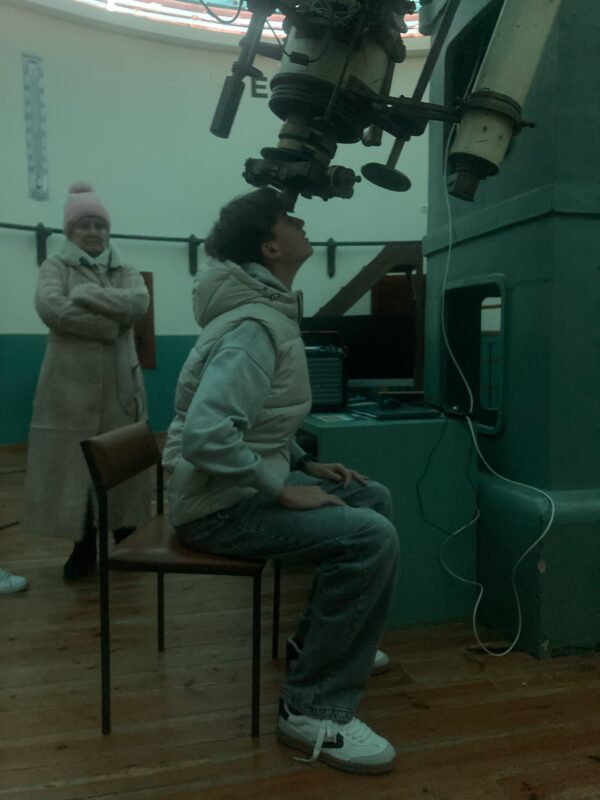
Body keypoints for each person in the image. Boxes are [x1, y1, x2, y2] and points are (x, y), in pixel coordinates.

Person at [162, 188, 400, 775]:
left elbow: (260, 417)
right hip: (216, 508)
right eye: (289, 217)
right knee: (369, 536)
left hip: (234, 487)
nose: (301, 220)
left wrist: (303, 462)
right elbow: (206, 436)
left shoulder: (268, 311)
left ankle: (316, 647)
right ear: (271, 247)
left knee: (372, 497)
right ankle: (311, 710)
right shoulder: (253, 327)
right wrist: (282, 488)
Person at [22, 182, 151, 581]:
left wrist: (88, 295)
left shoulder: (125, 267)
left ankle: (127, 536)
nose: (93, 232)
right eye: (84, 225)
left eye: (99, 225)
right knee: (75, 468)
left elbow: (139, 302)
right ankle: (83, 546)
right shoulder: (55, 267)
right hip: (68, 387)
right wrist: (110, 327)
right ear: (70, 231)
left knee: (123, 461)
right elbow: (52, 308)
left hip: (120, 384)